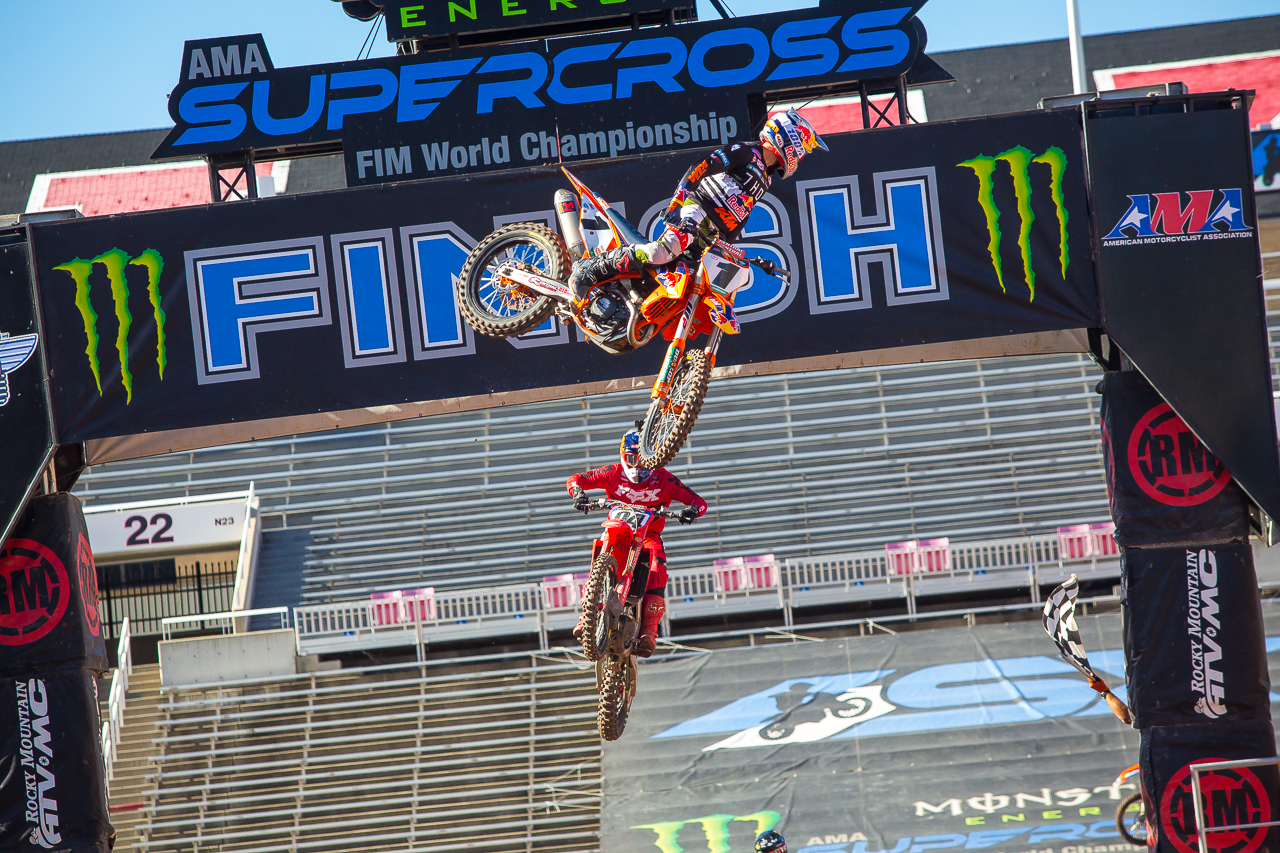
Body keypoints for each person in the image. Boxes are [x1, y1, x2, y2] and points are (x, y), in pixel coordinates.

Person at [568, 108, 827, 305]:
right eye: (802, 148)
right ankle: (586, 270)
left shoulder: (766, 179)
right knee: (662, 252)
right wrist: (678, 202)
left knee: (687, 284)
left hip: (712, 235)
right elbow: (701, 167)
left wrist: (729, 249)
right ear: (788, 138)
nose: (802, 155)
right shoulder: (746, 152)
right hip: (696, 210)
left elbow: (741, 216)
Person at [566, 427, 708, 657]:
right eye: (632, 459)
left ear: (654, 457)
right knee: (599, 553)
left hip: (648, 535)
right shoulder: (612, 473)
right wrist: (578, 494)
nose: (638, 466)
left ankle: (649, 633)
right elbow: (576, 479)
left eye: (643, 459)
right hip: (619, 529)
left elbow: (699, 502)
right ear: (623, 455)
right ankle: (588, 618)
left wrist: (691, 511)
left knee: (657, 569)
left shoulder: (664, 478)